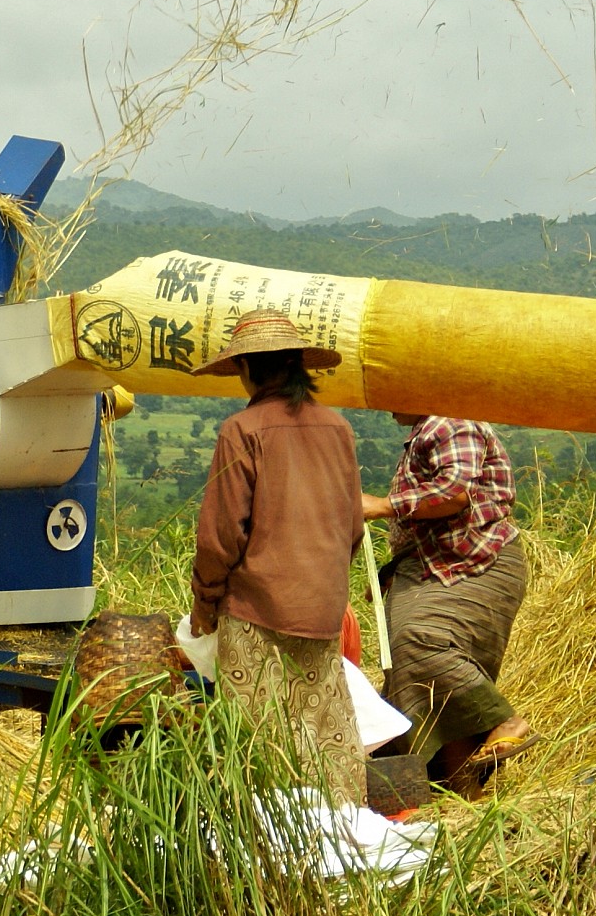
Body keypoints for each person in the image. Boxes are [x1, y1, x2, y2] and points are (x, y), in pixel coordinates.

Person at [188, 310, 368, 804]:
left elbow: (221, 537)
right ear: (296, 366)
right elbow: (351, 527)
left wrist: (205, 601)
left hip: (256, 612)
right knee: (324, 733)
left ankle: (267, 849)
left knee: (260, 742)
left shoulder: (242, 430)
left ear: (246, 368)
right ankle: (341, 831)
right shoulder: (338, 429)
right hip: (323, 610)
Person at [361, 413, 536, 787]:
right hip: (439, 566)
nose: (383, 407)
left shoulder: (447, 421)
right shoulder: (426, 429)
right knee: (420, 685)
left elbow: (455, 492)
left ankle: (500, 721)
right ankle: (460, 792)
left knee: (419, 644)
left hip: (474, 562)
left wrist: (382, 505)